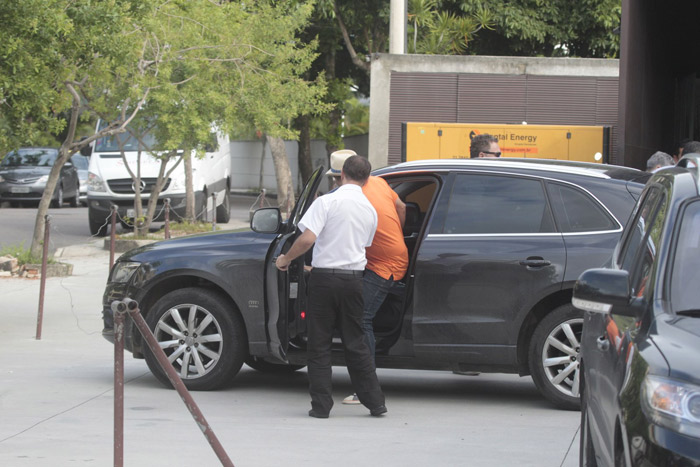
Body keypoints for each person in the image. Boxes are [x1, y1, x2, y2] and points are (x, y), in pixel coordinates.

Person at [275, 155, 387, 418]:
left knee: (320, 343)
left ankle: (322, 407)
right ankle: (376, 403)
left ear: (341, 174)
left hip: (324, 281)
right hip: (354, 281)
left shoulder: (327, 202)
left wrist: (286, 259)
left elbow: (307, 239)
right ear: (367, 178)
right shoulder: (370, 209)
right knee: (356, 342)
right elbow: (360, 245)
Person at [325, 150, 409, 406]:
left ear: (341, 175)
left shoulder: (349, 198)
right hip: (396, 255)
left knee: (361, 320)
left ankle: (365, 387)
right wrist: (394, 234)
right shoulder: (381, 183)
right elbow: (401, 206)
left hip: (384, 265)